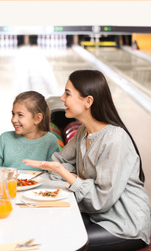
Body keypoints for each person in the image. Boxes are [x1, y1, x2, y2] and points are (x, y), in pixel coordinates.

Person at [23, 70, 150, 251]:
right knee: (47, 228)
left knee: (66, 243)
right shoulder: (84, 132)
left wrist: (65, 173)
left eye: (67, 94)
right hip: (96, 215)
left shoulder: (115, 140)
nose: (61, 98)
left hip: (125, 224)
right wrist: (68, 173)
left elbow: (100, 200)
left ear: (88, 101)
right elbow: (59, 160)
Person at [0, 91, 59, 170]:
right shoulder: (5, 138)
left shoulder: (50, 140)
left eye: (20, 115)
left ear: (37, 118)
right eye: (13, 114)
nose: (14, 120)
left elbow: (53, 172)